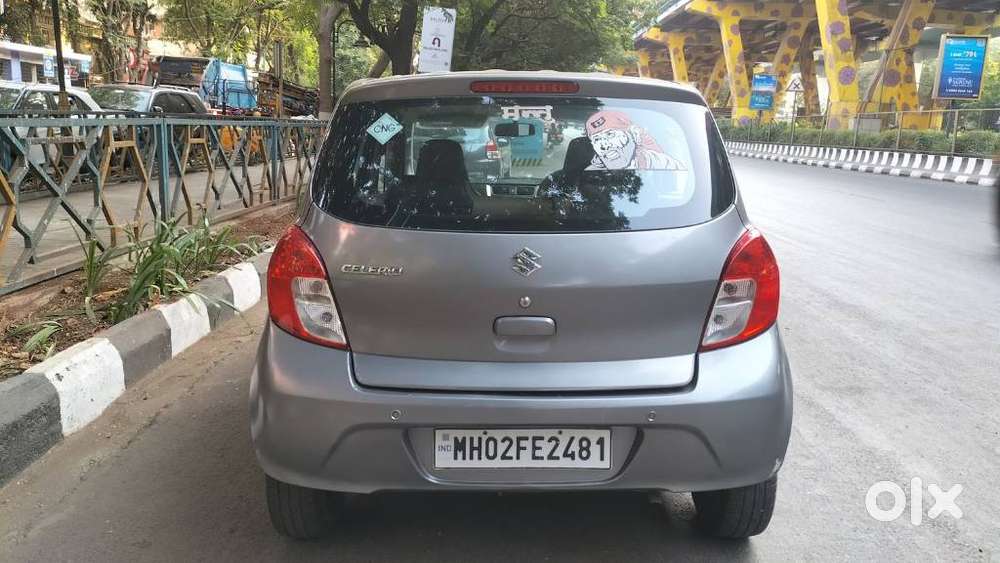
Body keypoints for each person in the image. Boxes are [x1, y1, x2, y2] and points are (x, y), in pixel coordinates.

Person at [584, 110, 684, 171]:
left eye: (610, 134)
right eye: (597, 139)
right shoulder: (589, 175)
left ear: (634, 134)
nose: (604, 146)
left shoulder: (661, 163)